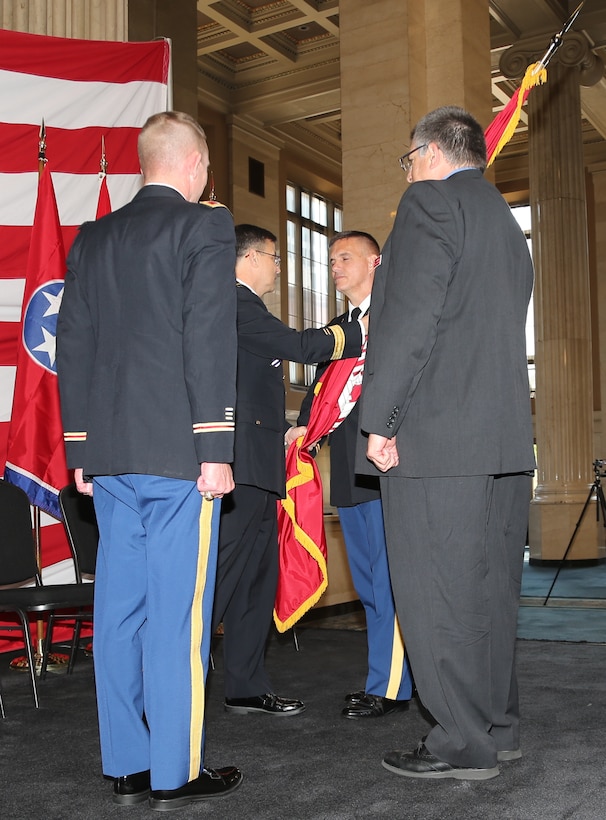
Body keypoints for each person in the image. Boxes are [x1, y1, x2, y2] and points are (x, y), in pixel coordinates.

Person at [56, 111, 243, 810]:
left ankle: (127, 764)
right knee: (179, 617)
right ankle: (175, 771)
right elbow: (208, 339)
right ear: (194, 165)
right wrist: (215, 449)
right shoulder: (204, 226)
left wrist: (81, 448)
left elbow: (69, 344)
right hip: (178, 456)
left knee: (121, 614)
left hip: (110, 460)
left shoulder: (95, 237)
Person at [358, 106, 535, 780]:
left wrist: (381, 418)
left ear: (430, 154)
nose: (409, 171)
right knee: (489, 595)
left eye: (409, 159)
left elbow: (409, 320)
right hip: (502, 443)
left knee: (437, 595)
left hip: (436, 438)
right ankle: (498, 726)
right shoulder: (504, 222)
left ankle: (463, 744)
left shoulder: (428, 203)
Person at [213, 223, 365, 716]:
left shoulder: (247, 307)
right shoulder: (233, 303)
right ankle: (178, 681)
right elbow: (301, 347)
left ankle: (245, 683)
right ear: (250, 258)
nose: (279, 266)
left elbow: (249, 388)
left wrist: (285, 430)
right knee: (220, 580)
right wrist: (361, 326)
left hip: (260, 466)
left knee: (256, 580)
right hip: (238, 469)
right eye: (274, 257)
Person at [288, 230, 413, 719]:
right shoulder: (339, 328)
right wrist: (299, 428)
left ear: (375, 262)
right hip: (346, 465)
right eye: (332, 259)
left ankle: (390, 687)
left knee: (389, 579)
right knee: (368, 582)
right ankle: (383, 678)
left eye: (345, 256)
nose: (336, 265)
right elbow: (319, 394)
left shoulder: (398, 316)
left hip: (386, 466)